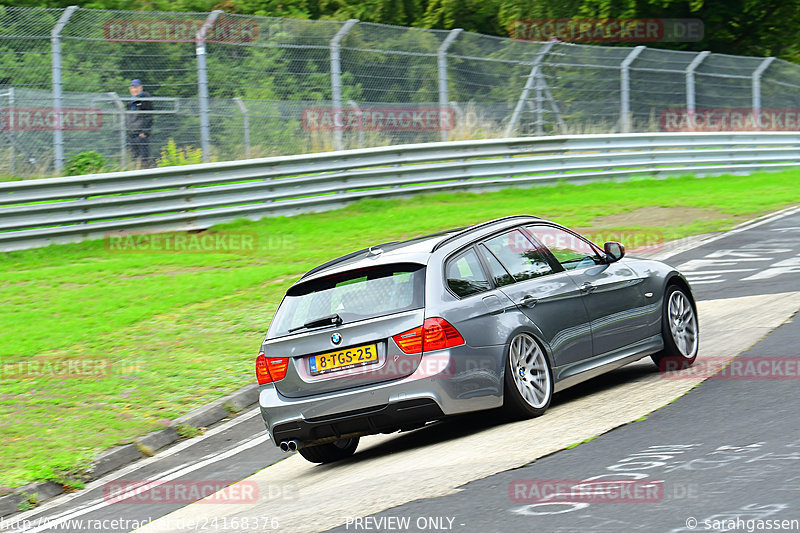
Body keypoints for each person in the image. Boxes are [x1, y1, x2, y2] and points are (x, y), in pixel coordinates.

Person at [126, 79, 154, 167]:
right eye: (133, 88)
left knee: (144, 159)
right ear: (130, 89)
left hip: (140, 135)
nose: (135, 90)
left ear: (141, 88)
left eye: (136, 87)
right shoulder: (130, 101)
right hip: (131, 134)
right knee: (134, 158)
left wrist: (144, 132)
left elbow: (149, 117)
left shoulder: (145, 99)